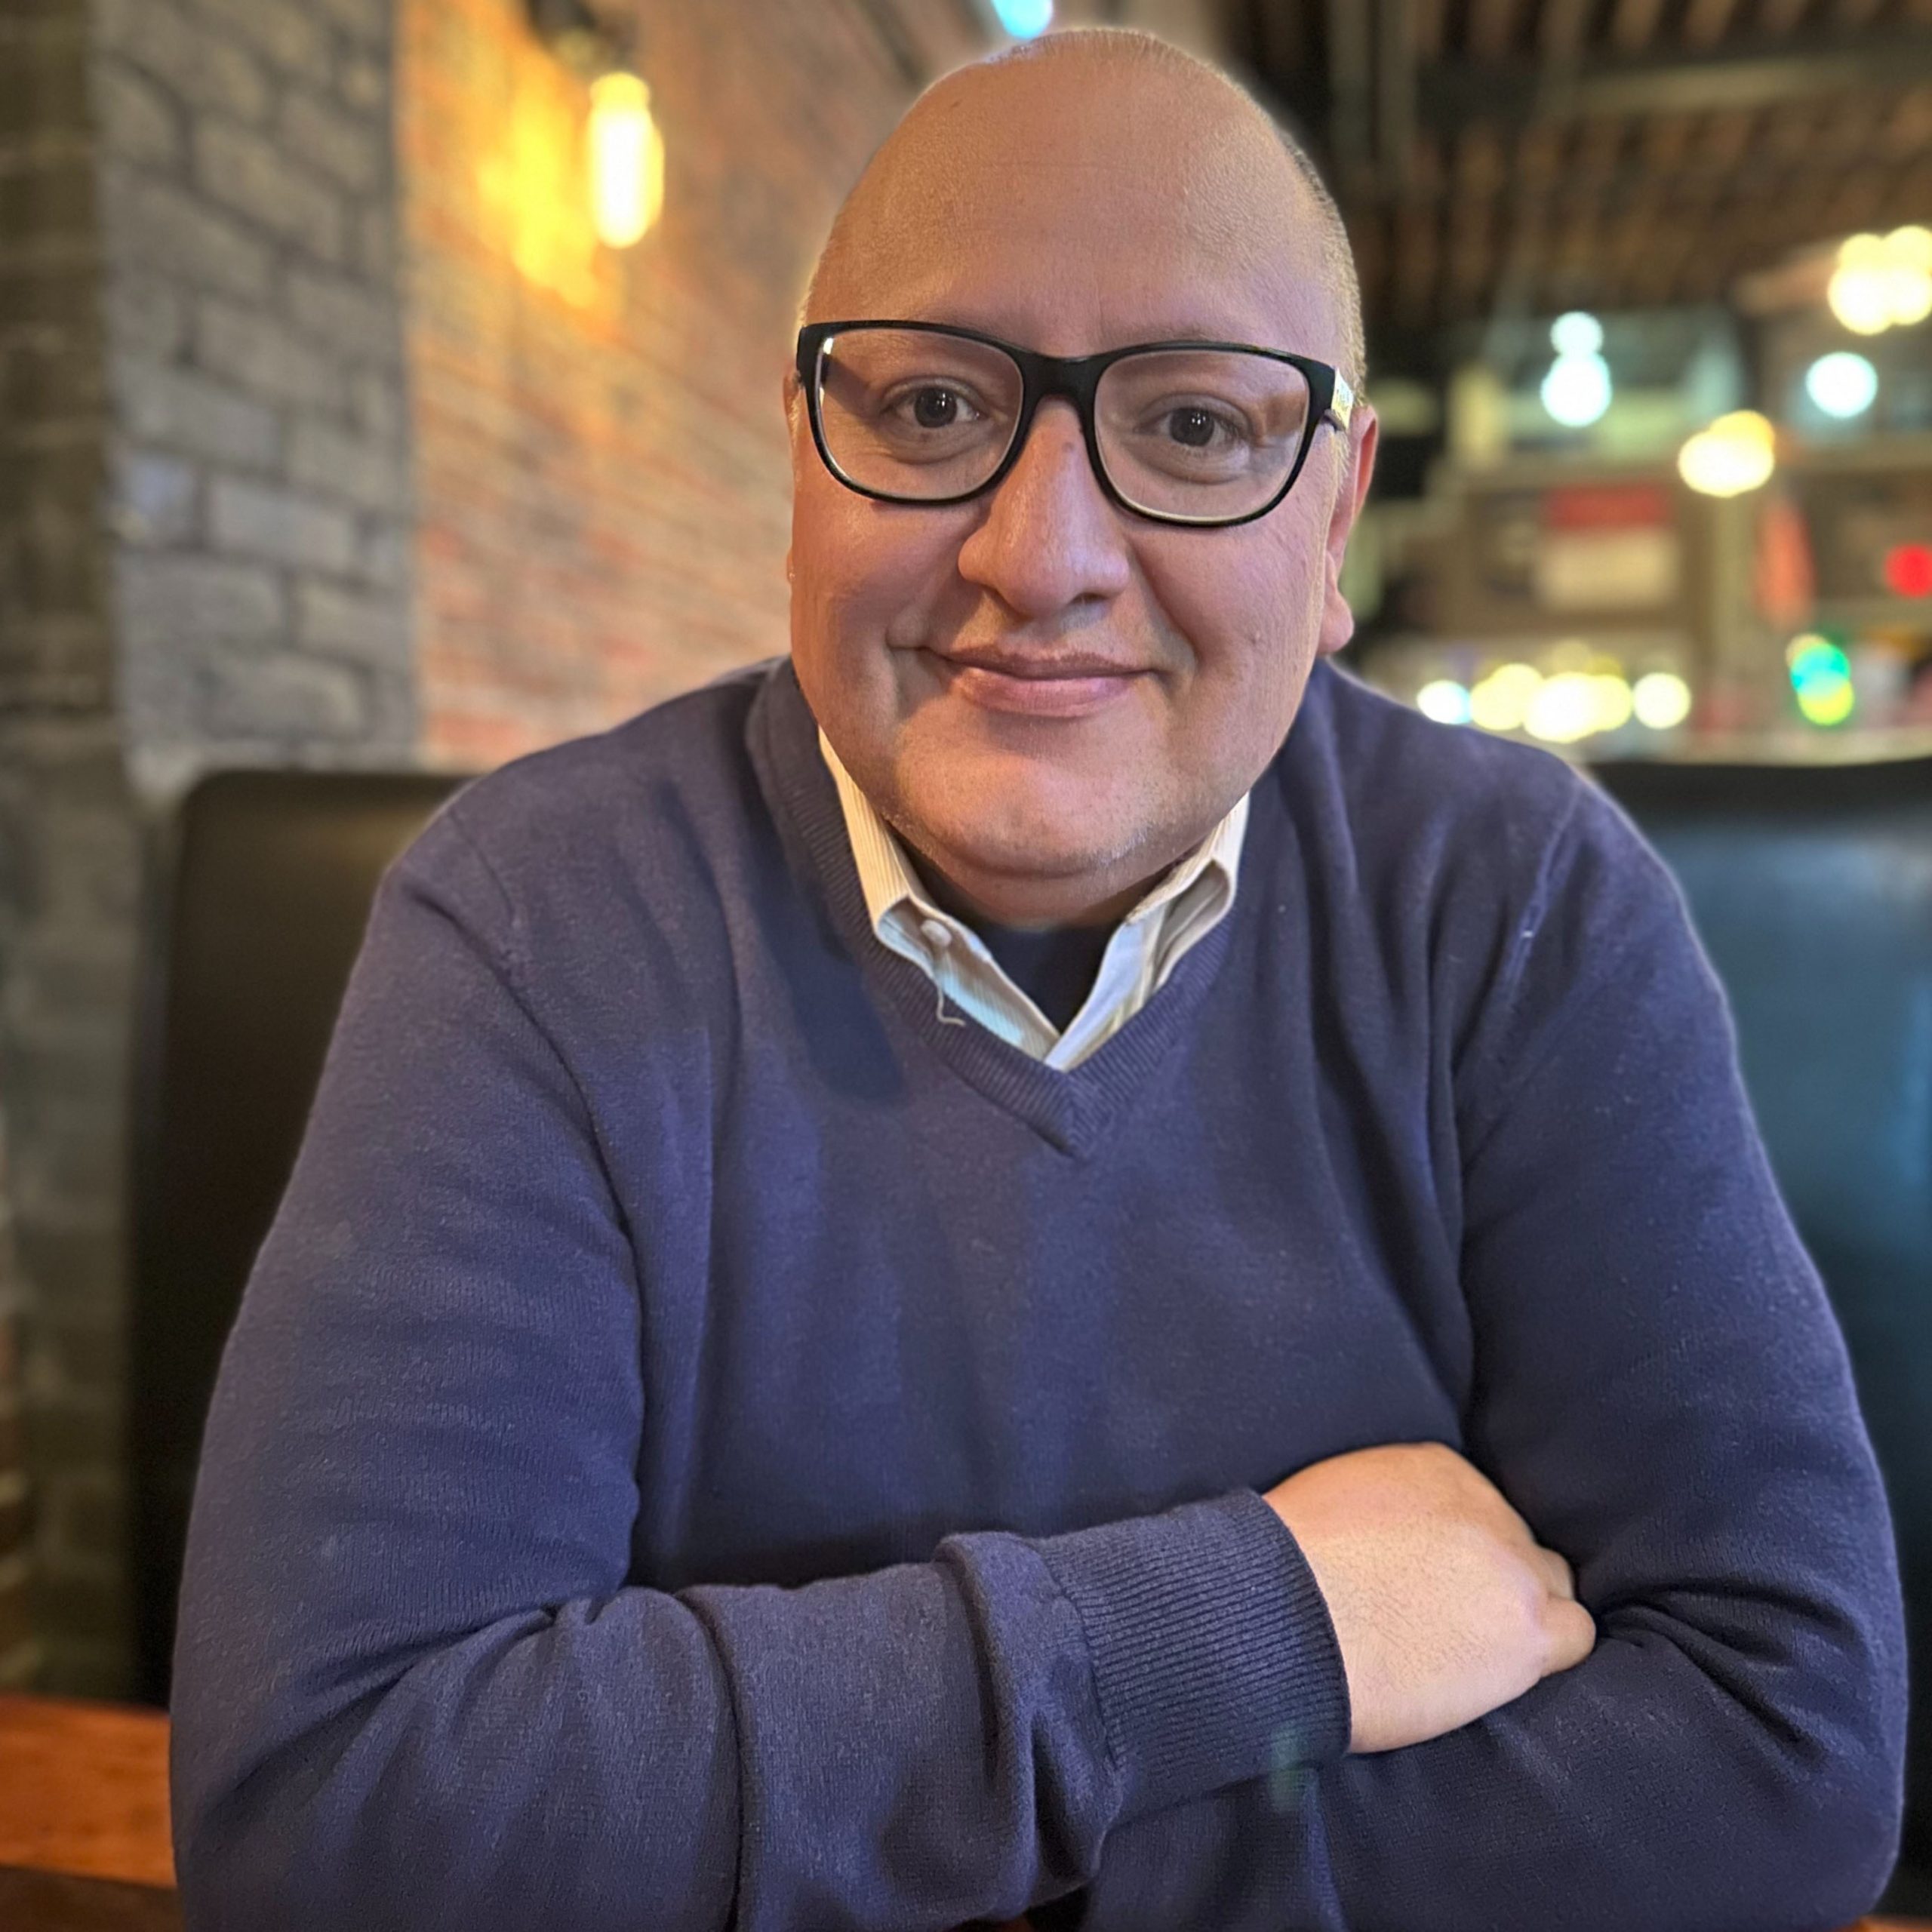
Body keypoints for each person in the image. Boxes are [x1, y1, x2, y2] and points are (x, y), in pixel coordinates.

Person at [169, 28, 1906, 1932]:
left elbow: (1779, 1739)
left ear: (1331, 518)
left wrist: (991, 1860)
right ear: (801, 460)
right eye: (927, 409)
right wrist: (1266, 1625)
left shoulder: (1516, 903)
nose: (1042, 551)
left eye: (1190, 427)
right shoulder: (539, 917)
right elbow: (333, 1813)